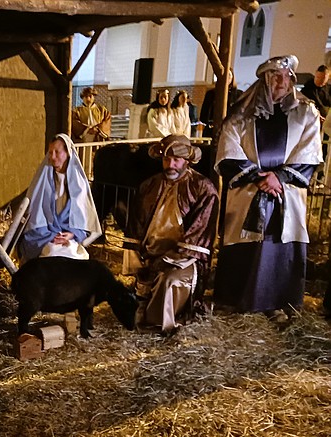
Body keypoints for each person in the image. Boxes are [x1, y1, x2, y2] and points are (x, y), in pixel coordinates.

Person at [213, 55, 322, 322]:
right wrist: (258, 176)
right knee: (247, 243)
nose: (281, 82)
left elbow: (309, 152)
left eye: (286, 77)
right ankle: (238, 299)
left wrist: (279, 177)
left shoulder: (306, 113)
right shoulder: (242, 113)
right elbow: (228, 150)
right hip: (249, 191)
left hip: (286, 193)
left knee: (279, 242)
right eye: (275, 76)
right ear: (264, 79)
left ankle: (278, 301)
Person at [126, 135, 218, 333]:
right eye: (166, 160)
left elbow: (200, 233)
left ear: (187, 161)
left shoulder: (203, 188)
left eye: (176, 160)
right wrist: (136, 256)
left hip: (186, 259)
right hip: (150, 256)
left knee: (170, 282)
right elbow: (135, 225)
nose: (170, 165)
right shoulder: (148, 186)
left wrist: (169, 259)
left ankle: (157, 324)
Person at [18, 133, 102, 262]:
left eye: (57, 152)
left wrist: (72, 234)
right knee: (52, 253)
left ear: (68, 153)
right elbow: (35, 217)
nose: (52, 157)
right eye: (50, 152)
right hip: (44, 235)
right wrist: (51, 236)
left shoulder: (78, 184)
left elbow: (83, 217)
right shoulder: (42, 181)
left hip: (68, 237)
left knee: (72, 255)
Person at [199, 69, 242, 140]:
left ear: (232, 77)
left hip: (231, 132)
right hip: (212, 131)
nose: (226, 78)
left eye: (229, 75)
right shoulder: (211, 94)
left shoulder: (238, 95)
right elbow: (203, 115)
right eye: (224, 75)